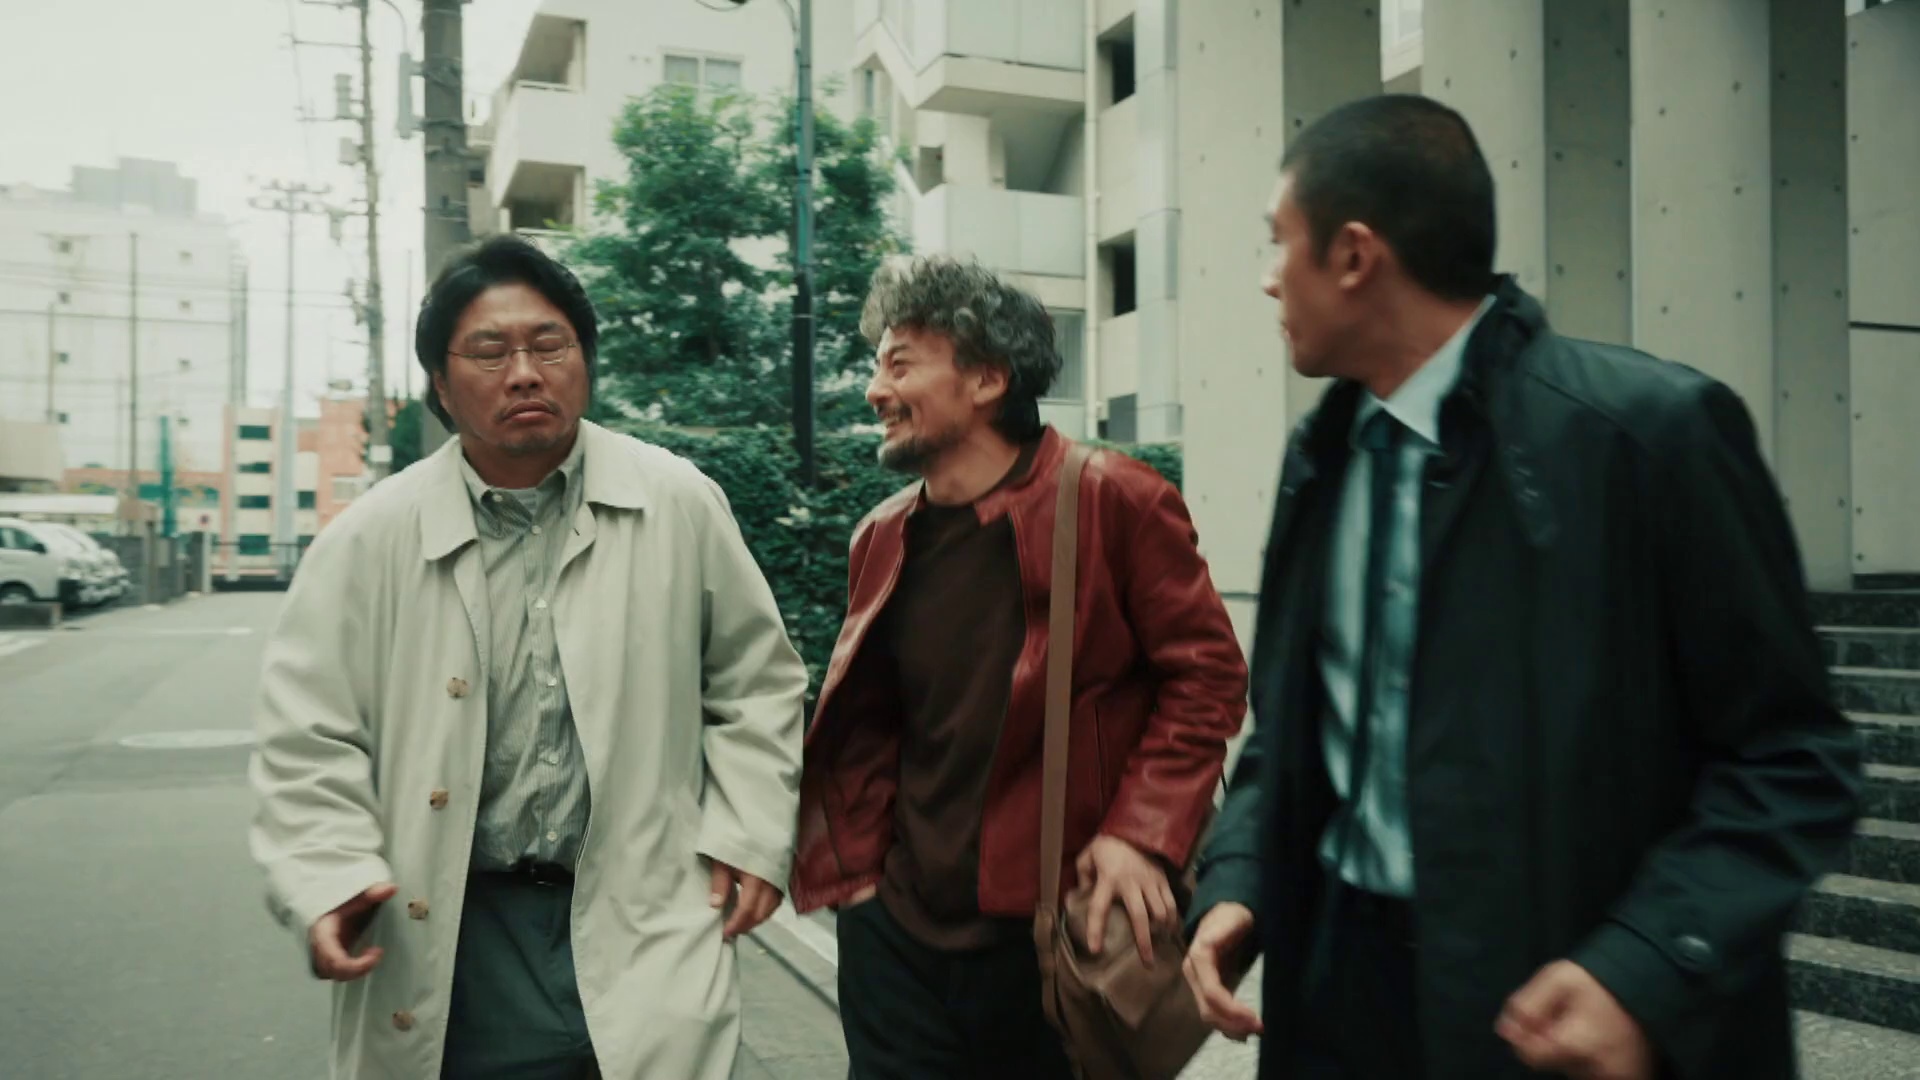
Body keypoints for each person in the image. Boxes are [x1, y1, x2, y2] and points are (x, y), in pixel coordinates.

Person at [1180, 94, 1864, 1080]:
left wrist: (1643, 965)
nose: (1267, 276)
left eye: (1277, 239)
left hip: (1542, 1019)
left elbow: (1793, 759)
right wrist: (1240, 879)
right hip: (1339, 995)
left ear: (1355, 255)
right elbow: (1289, 733)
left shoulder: (1648, 435)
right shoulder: (1320, 458)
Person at [248, 234, 808, 1080]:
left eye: (550, 345)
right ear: (440, 385)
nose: (523, 373)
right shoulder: (369, 539)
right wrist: (328, 874)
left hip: (646, 912)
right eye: (489, 351)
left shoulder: (677, 502)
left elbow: (755, 681)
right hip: (457, 930)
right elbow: (308, 737)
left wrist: (750, 833)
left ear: (585, 361)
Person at [790, 255, 1249, 1077]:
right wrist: (859, 883)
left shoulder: (1114, 499)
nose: (874, 390)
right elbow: (874, 722)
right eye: (877, 365)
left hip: (1045, 938)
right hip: (895, 935)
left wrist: (1141, 834)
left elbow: (1207, 677)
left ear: (987, 379)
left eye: (900, 364)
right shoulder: (882, 535)